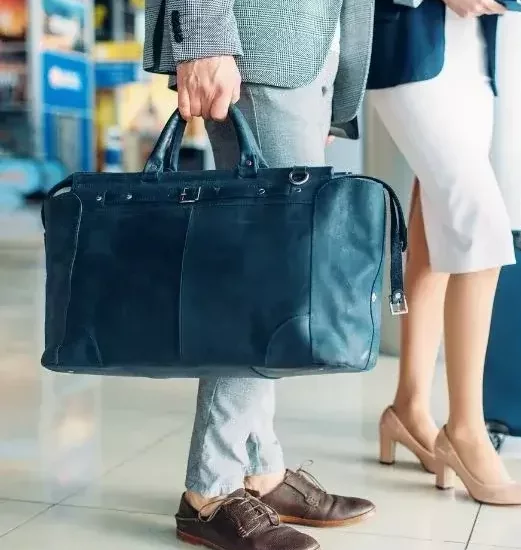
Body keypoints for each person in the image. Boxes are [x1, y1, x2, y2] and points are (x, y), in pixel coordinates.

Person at [143, 0, 376, 548]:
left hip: (308, 45)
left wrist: (335, 95)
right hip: (255, 38)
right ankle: (212, 489)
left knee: (272, 273)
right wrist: (201, 37)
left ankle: (258, 470)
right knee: (271, 274)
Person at [368, 0, 521, 506]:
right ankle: (464, 429)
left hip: (471, 51)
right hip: (406, 43)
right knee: (480, 227)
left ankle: (409, 407)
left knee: (440, 220)